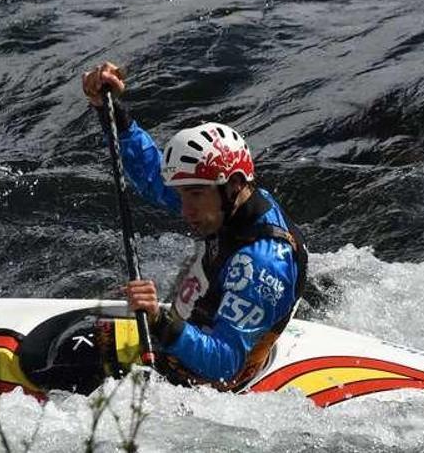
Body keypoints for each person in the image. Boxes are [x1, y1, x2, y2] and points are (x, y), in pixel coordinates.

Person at [82, 61, 309, 390]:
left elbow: (224, 365)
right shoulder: (226, 201)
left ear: (232, 186)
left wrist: (159, 321)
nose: (184, 209)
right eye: (182, 195)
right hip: (191, 331)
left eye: (194, 196)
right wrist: (111, 111)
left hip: (206, 382)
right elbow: (152, 179)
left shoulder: (262, 264)